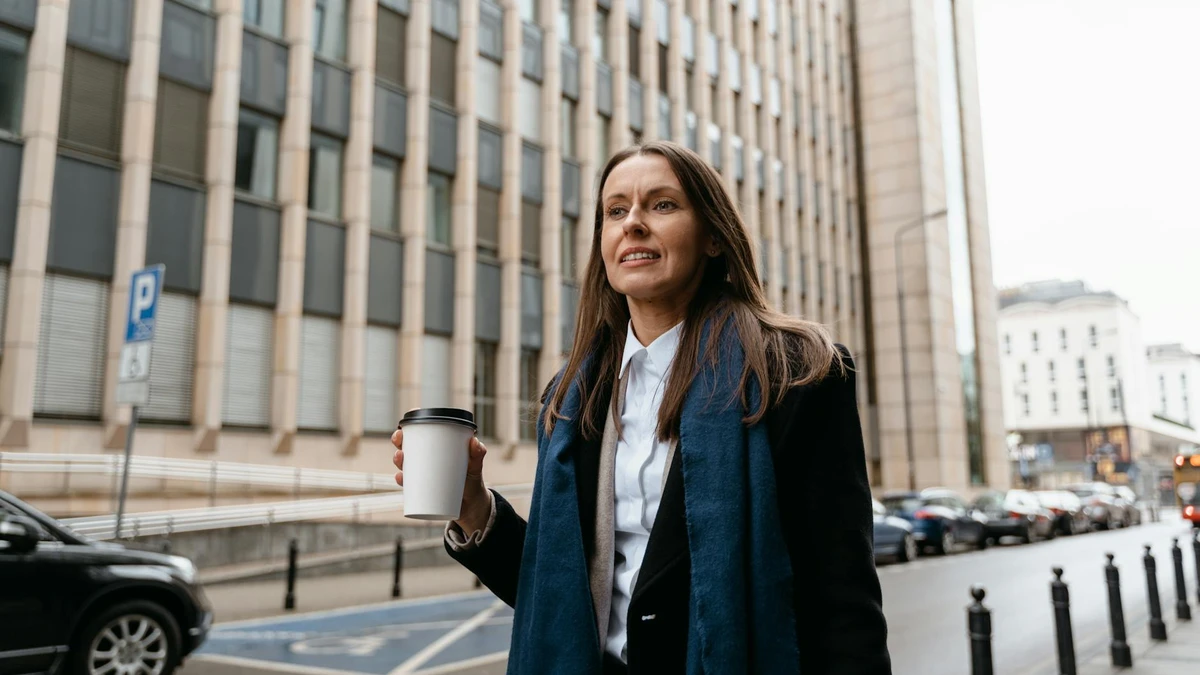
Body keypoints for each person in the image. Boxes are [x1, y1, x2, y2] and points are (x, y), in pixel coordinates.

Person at [392, 141, 891, 674]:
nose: (632, 223)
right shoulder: (571, 398)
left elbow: (842, 600)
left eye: (662, 204)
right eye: (615, 211)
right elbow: (556, 594)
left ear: (714, 236)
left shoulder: (798, 372)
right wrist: (474, 507)